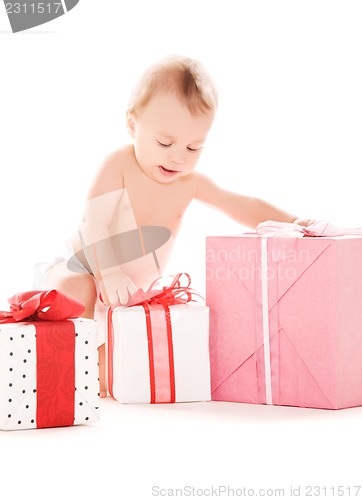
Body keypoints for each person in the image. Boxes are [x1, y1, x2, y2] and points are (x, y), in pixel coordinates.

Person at [44, 55, 312, 397]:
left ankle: (97, 372)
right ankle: (69, 372)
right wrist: (108, 272)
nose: (178, 158)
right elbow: (93, 222)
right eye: (164, 143)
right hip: (84, 268)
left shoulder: (190, 183)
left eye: (193, 147)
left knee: (129, 352)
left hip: (127, 295)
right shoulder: (119, 164)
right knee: (78, 288)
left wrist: (293, 221)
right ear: (132, 124)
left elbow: (240, 204)